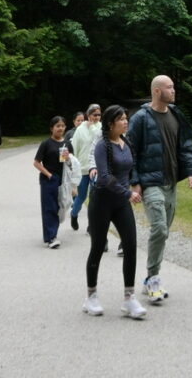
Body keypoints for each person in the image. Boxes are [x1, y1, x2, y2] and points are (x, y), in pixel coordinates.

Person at [126, 75, 192, 305]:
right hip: (151, 183)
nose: (174, 90)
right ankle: (153, 278)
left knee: (164, 231)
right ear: (157, 91)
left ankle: (150, 276)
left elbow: (185, 145)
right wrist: (135, 181)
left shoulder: (175, 115)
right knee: (159, 228)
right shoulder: (141, 118)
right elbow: (131, 150)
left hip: (171, 183)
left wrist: (191, 171)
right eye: (169, 87)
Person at [83, 105, 146, 320]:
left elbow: (131, 169)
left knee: (130, 245)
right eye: (121, 119)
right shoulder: (102, 145)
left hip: (121, 203)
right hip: (101, 202)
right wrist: (127, 193)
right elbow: (103, 177)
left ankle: (129, 298)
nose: (126, 121)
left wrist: (135, 186)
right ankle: (91, 296)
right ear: (110, 123)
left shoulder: (125, 143)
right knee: (98, 248)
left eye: (126, 118)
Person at [33, 116, 74, 248]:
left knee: (60, 206)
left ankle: (53, 233)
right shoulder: (46, 143)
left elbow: (71, 164)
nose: (60, 128)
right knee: (49, 208)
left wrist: (68, 160)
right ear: (52, 128)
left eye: (62, 126)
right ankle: (51, 237)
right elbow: (36, 163)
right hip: (49, 180)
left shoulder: (67, 144)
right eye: (57, 126)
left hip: (63, 180)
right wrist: (49, 174)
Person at [70, 104, 102, 231]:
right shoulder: (80, 129)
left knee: (94, 198)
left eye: (99, 115)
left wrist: (93, 126)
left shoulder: (101, 127)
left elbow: (99, 139)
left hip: (96, 168)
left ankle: (91, 225)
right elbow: (74, 148)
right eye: (94, 115)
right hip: (82, 169)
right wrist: (73, 167)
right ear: (88, 115)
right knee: (82, 196)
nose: (97, 117)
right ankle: (73, 214)